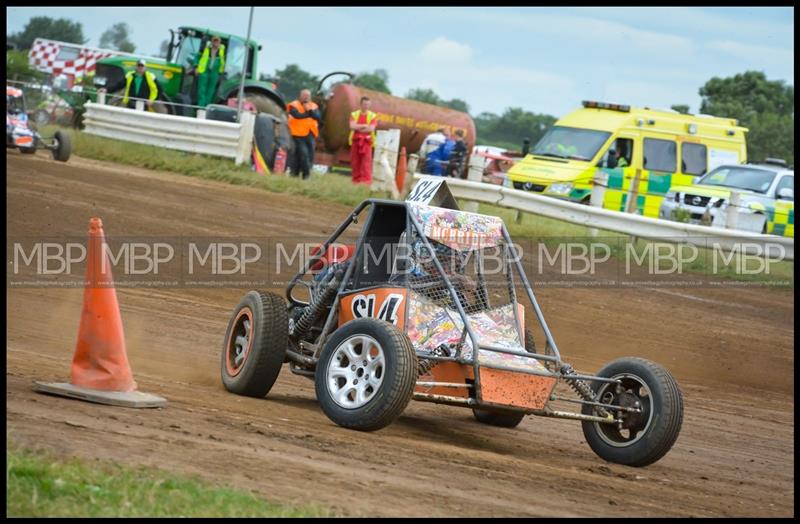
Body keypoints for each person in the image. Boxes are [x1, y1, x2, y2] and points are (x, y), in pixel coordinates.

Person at [286, 89, 321, 180]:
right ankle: (306, 176)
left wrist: (310, 112)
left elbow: (318, 117)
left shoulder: (314, 106)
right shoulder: (294, 105)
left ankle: (295, 174)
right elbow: (297, 116)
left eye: (308, 95)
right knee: (303, 154)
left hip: (310, 134)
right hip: (297, 134)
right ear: (300, 96)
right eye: (304, 95)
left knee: (310, 155)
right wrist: (309, 113)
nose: (306, 97)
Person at [348, 96, 378, 185]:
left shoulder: (373, 115)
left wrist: (358, 127)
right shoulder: (354, 114)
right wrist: (364, 125)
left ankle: (366, 181)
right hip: (355, 141)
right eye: (365, 104)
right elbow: (352, 126)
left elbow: (371, 129)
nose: (366, 106)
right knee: (355, 161)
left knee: (366, 162)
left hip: (367, 142)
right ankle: (355, 180)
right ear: (360, 104)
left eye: (368, 104)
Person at [193, 35, 225, 108]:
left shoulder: (222, 51)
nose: (216, 43)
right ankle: (200, 107)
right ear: (212, 42)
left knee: (211, 90)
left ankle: (207, 107)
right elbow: (197, 57)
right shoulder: (205, 49)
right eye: (214, 41)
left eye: (217, 41)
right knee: (201, 90)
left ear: (220, 43)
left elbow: (225, 61)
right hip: (204, 71)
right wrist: (196, 67)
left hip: (215, 72)